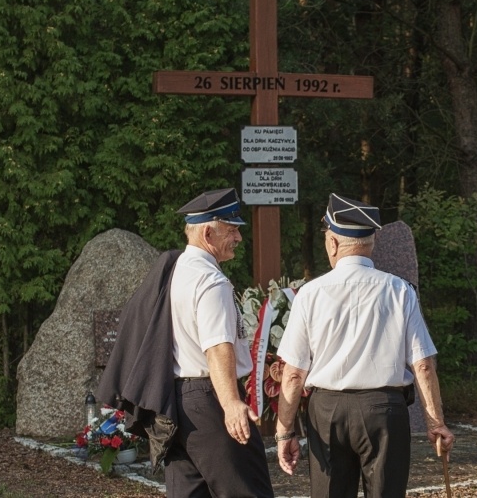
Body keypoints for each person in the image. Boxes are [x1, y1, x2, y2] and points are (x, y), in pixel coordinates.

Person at [274, 193, 455, 498]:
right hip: (384, 410)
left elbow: (293, 374)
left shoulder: (310, 294)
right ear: (371, 243)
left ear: (332, 243)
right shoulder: (400, 290)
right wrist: (435, 422)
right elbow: (422, 364)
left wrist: (284, 432)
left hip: (328, 410)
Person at [166, 187, 274, 497]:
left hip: (179, 400)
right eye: (231, 229)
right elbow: (216, 347)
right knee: (248, 490)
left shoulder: (177, 272)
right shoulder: (210, 281)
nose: (239, 238)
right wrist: (231, 404)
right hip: (211, 398)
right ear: (208, 232)